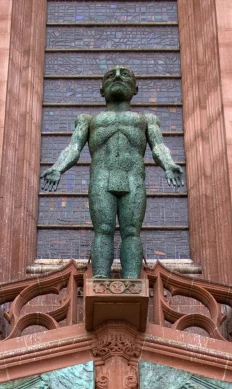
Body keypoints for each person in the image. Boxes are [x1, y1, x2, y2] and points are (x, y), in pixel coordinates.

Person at [41, 65, 184, 279]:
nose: (117, 77)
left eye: (125, 74)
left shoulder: (146, 120)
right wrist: (57, 168)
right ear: (101, 90)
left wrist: (169, 164)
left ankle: (132, 282)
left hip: (132, 178)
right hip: (101, 179)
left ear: (135, 89)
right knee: (103, 230)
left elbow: (158, 147)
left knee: (131, 232)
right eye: (110, 75)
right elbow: (73, 147)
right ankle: (99, 279)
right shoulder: (88, 120)